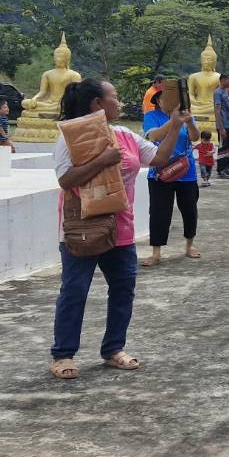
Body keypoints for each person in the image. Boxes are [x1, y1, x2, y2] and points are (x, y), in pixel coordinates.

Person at [49, 79, 183, 380]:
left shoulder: (124, 135)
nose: (119, 102)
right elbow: (66, 180)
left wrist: (175, 126)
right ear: (98, 104)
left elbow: (159, 160)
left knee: (123, 290)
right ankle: (63, 354)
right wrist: (102, 160)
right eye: (115, 97)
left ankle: (113, 349)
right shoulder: (70, 137)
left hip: (120, 227)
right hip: (83, 227)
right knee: (74, 291)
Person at [141, 90, 201, 267]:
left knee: (189, 209)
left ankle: (189, 245)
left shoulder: (186, 115)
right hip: (159, 171)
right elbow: (154, 135)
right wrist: (174, 121)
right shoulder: (151, 116)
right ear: (157, 101)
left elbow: (195, 137)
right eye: (163, 98)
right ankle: (156, 252)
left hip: (185, 171)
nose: (167, 101)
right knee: (159, 211)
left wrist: (189, 122)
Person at [213, 73, 229, 178]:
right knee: (223, 148)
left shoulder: (225, 92)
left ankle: (226, 166)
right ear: (224, 80)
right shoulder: (217, 92)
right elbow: (217, 111)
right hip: (223, 125)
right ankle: (221, 170)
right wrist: (221, 127)